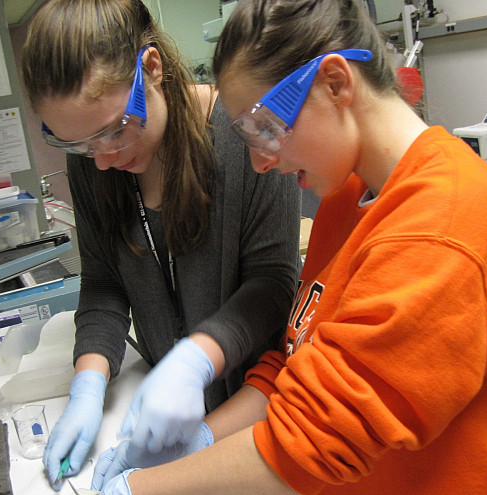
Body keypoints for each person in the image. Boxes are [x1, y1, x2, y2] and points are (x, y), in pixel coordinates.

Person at [92, 0, 487, 494]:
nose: (260, 163)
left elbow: (314, 445)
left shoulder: (443, 226)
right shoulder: (349, 197)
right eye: (246, 134)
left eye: (265, 128)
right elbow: (298, 363)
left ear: (335, 83)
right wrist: (204, 439)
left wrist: (140, 490)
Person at [20, 0, 301, 489]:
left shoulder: (245, 141)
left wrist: (195, 361)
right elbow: (105, 284)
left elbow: (274, 285)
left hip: (257, 407)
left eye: (112, 132)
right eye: (79, 145)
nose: (101, 161)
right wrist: (88, 385)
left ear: (150, 68)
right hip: (154, 404)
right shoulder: (95, 160)